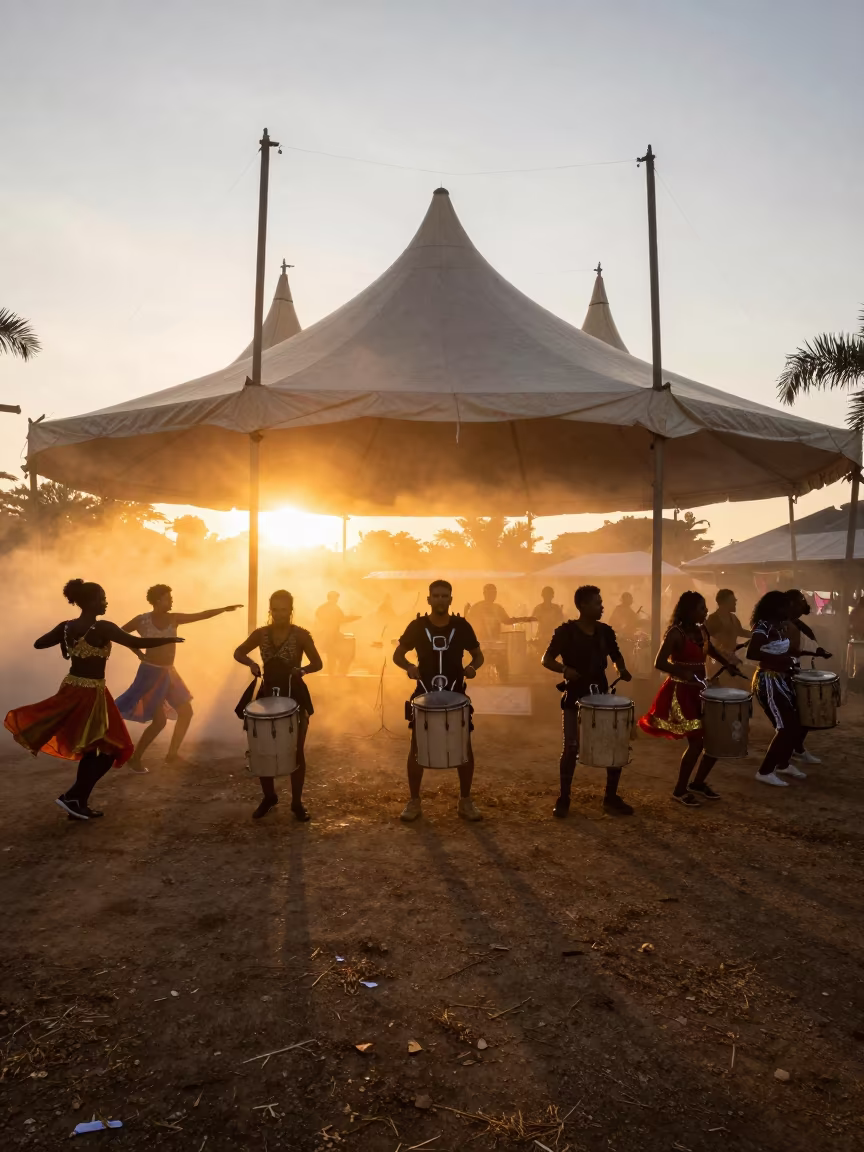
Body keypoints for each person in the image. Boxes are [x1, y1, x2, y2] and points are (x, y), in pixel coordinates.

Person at [4, 579, 180, 820]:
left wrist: (66, 646)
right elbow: (136, 642)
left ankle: (77, 802)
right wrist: (168, 639)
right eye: (102, 598)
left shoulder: (67, 627)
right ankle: (73, 796)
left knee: (92, 750)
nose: (106, 602)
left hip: (72, 688)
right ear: (90, 602)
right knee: (112, 747)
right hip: (90, 694)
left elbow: (39, 643)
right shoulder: (103, 627)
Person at [117, 585, 242, 772]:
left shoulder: (173, 618)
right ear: (157, 601)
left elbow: (201, 614)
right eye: (168, 598)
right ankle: (136, 758)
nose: (172, 601)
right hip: (150, 674)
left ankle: (172, 755)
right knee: (159, 722)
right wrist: (137, 652)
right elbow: (120, 634)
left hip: (169, 672)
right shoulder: (142, 620)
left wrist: (223, 610)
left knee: (186, 712)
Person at [393, 579, 484, 822]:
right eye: (437, 596)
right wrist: (409, 666)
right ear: (429, 599)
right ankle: (414, 802)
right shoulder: (417, 626)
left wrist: (472, 667)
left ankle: (465, 801)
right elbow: (397, 654)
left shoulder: (462, 626)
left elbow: (478, 655)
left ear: (451, 599)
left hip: (456, 694)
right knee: (416, 748)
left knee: (464, 747)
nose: (441, 600)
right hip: (423, 694)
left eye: (445, 596)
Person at [639, 591, 739, 806]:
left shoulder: (701, 630)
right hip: (681, 692)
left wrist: (727, 664)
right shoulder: (675, 633)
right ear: (689, 611)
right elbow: (659, 662)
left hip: (702, 691)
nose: (706, 611)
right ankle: (679, 790)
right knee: (696, 743)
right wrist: (681, 672)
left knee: (715, 739)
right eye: (702, 608)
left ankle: (698, 783)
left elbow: (709, 649)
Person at [542, 585, 634, 818]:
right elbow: (546, 659)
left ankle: (610, 798)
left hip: (601, 697)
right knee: (571, 747)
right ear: (582, 606)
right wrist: (564, 669)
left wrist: (621, 669)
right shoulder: (566, 632)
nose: (601, 606)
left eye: (600, 602)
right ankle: (564, 798)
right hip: (574, 696)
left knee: (613, 745)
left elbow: (616, 655)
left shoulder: (605, 632)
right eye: (597, 603)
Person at [233, 590, 323, 820]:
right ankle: (269, 796)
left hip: (295, 695)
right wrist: (252, 663)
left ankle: (296, 803)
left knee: (296, 751)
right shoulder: (261, 634)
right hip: (266, 696)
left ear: (291, 611)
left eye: (284, 610)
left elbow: (318, 663)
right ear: (270, 610)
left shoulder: (301, 635)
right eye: (275, 609)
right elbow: (239, 651)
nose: (279, 614)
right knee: (262, 749)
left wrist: (302, 670)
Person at [748, 589, 814, 788]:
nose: (789, 608)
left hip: (782, 679)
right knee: (785, 727)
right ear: (776, 607)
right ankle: (765, 771)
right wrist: (783, 659)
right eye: (785, 605)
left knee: (796, 723)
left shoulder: (778, 626)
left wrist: (812, 652)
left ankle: (784, 764)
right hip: (768, 681)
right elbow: (752, 653)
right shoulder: (763, 626)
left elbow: (786, 650)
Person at [784, 588, 831, 770]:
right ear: (791, 604)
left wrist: (817, 651)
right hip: (786, 675)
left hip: (798, 673)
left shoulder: (797, 624)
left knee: (804, 715)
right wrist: (814, 652)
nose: (804, 602)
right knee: (795, 718)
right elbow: (787, 652)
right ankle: (783, 760)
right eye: (800, 600)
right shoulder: (784, 625)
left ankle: (797, 749)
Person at [468, 584, 533, 682]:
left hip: (496, 643)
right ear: (484, 594)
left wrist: (525, 619)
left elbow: (507, 621)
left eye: (494, 593)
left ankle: (504, 683)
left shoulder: (497, 608)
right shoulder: (477, 608)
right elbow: (468, 622)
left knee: (502, 666)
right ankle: (476, 684)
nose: (492, 595)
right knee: (480, 667)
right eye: (489, 593)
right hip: (482, 643)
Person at [705, 589, 751, 684]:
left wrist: (757, 634)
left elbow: (741, 632)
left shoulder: (733, 618)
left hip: (732, 658)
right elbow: (711, 641)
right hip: (718, 661)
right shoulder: (714, 618)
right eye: (733, 600)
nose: (735, 602)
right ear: (724, 602)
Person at [315, 591, 360, 675]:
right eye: (336, 598)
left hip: (324, 633)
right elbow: (342, 619)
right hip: (332, 633)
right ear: (333, 598)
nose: (337, 600)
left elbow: (318, 615)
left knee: (331, 653)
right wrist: (353, 618)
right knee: (345, 649)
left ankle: (332, 672)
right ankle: (340, 671)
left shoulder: (322, 608)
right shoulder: (334, 607)